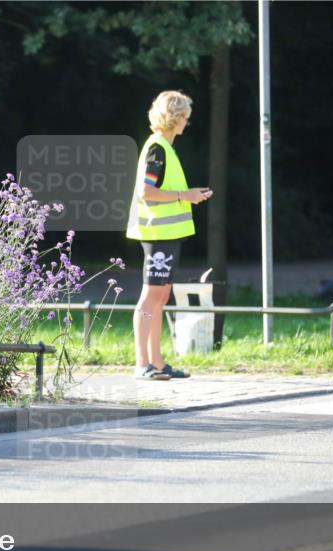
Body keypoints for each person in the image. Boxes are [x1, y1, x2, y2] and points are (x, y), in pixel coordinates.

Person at [126, 90, 212, 380]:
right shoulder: (157, 149)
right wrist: (184, 195)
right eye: (185, 118)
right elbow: (146, 192)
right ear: (175, 119)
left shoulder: (164, 148)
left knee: (160, 296)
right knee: (151, 297)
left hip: (167, 234)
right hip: (157, 234)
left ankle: (158, 363)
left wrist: (189, 196)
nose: (187, 123)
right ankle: (142, 364)